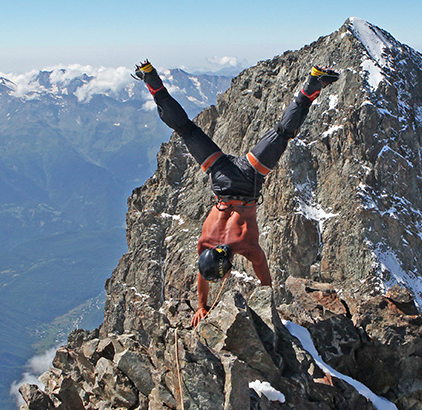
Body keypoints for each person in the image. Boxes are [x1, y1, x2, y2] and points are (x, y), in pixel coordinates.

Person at [133, 60, 339, 327]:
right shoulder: (205, 244)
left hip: (250, 179)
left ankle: (314, 82)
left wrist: (203, 307)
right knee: (186, 130)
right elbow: (203, 273)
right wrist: (202, 303)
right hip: (220, 178)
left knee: (283, 133)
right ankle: (150, 78)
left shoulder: (247, 247)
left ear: (230, 264)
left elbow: (264, 281)